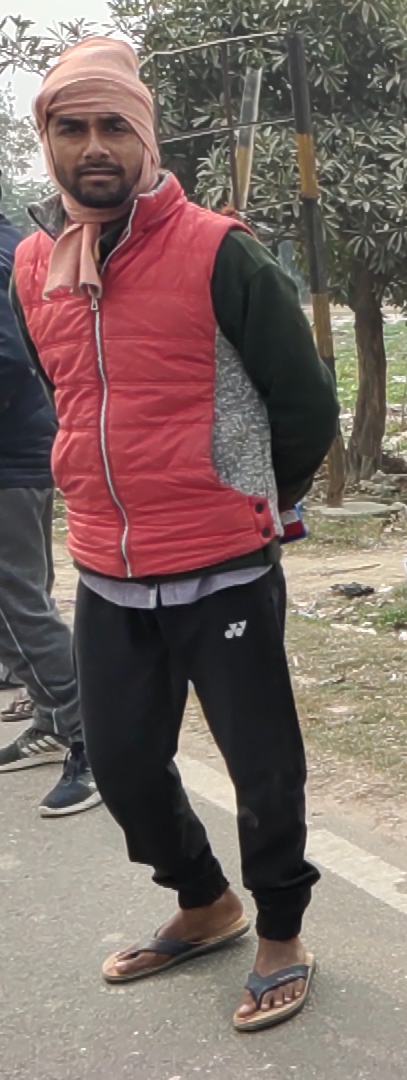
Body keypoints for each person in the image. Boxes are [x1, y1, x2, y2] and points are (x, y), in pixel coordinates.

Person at [8, 39, 339, 1031]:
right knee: (118, 762)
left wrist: (251, 499)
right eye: (74, 128)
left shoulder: (217, 249)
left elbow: (305, 403)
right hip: (108, 567)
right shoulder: (36, 265)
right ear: (49, 143)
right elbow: (64, 389)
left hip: (224, 565)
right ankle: (204, 901)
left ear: (147, 140)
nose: (95, 147)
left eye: (115, 126)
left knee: (262, 767)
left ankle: (280, 927)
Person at [0, 185, 99, 816]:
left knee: (18, 603)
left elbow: (12, 359)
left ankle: (91, 742)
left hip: (12, 457)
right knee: (16, 601)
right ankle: (51, 718)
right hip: (25, 449)